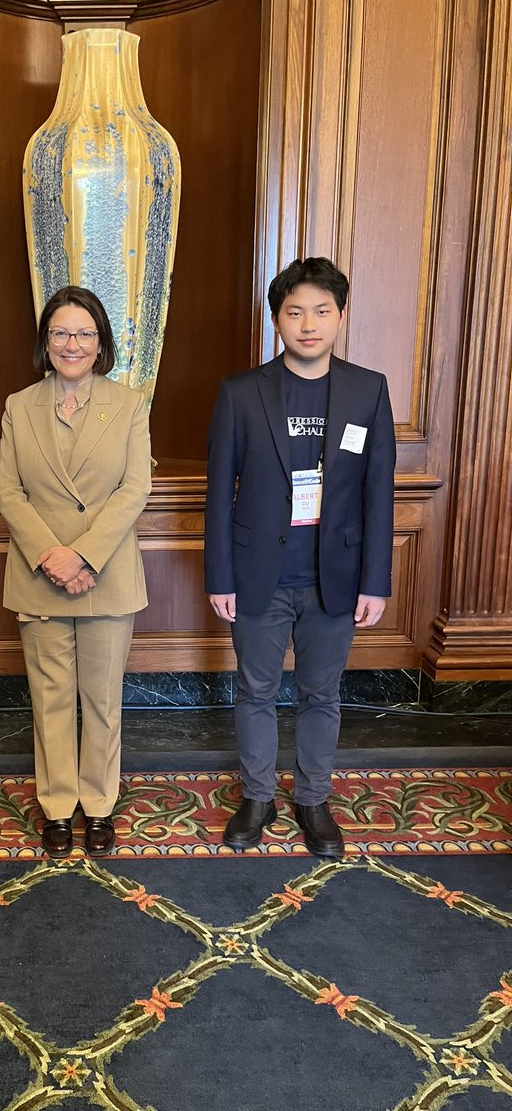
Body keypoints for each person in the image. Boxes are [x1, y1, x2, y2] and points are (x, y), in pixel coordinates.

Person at [205, 257, 395, 858]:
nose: (307, 324)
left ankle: (313, 799)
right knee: (255, 691)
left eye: (320, 311)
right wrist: (220, 576)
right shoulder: (241, 393)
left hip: (334, 579)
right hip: (259, 574)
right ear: (277, 320)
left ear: (339, 317)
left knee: (322, 694)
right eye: (294, 312)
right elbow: (218, 492)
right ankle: (257, 796)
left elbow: (378, 493)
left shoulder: (368, 390)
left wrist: (376, 581)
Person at [0, 286, 152, 859]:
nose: (72, 343)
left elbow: (135, 489)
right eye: (61, 332)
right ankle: (59, 808)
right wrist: (53, 556)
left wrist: (82, 556)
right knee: (51, 699)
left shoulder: (131, 404)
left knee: (102, 700)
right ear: (45, 341)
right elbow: (7, 493)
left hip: (105, 577)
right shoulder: (19, 405)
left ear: (101, 342)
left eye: (85, 333)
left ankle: (100, 805)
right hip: (40, 575)